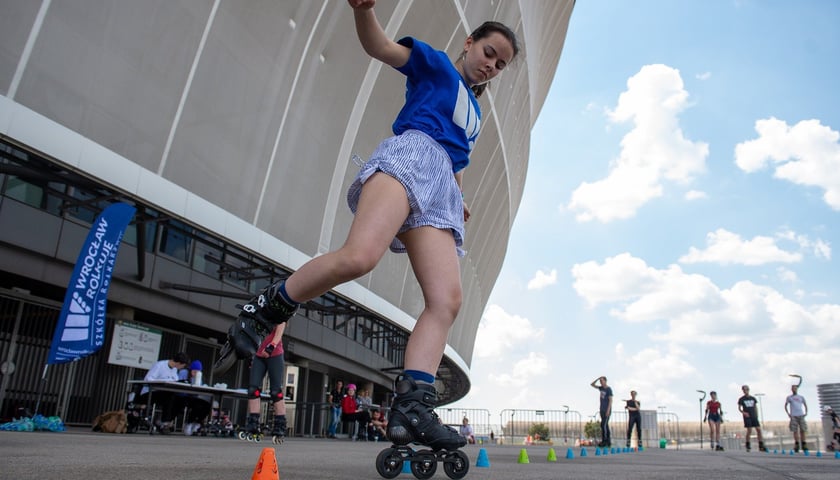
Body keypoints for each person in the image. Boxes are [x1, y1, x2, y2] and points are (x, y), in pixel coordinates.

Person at [229, 0, 518, 452]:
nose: (491, 66)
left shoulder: (477, 115)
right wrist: (363, 11)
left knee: (447, 300)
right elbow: (380, 46)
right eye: (489, 53)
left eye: (500, 65)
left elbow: (456, 156)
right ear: (469, 43)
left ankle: (413, 406)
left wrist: (457, 197)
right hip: (409, 159)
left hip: (439, 188)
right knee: (360, 257)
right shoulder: (437, 66)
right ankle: (267, 307)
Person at [243, 323, 288, 441]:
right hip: (258, 355)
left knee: (275, 392)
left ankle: (280, 426)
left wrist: (272, 345)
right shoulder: (259, 312)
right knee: (253, 390)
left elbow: (280, 329)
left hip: (275, 353)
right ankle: (253, 424)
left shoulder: (278, 310)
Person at [136, 352, 190, 433]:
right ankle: (165, 422)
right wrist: (164, 381)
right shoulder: (160, 365)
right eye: (183, 365)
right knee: (169, 395)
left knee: (182, 401)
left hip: (164, 393)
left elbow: (175, 380)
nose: (183, 368)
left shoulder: (174, 369)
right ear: (179, 363)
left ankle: (164, 420)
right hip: (150, 392)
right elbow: (148, 379)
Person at [177, 360, 212, 436]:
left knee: (207, 405)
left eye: (197, 372)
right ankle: (188, 423)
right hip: (183, 396)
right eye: (194, 371)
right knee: (197, 405)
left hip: (194, 397)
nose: (195, 373)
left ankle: (197, 423)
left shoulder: (199, 376)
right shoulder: (184, 373)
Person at [737, 385, 767, 452]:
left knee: (758, 429)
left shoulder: (753, 398)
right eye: (744, 390)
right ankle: (747, 443)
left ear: (748, 390)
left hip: (754, 416)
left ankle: (761, 444)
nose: (745, 391)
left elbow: (755, 407)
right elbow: (739, 408)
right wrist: (743, 412)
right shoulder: (741, 399)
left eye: (746, 389)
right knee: (749, 430)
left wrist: (757, 415)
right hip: (747, 416)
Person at [784, 384, 809, 452]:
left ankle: (804, 444)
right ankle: (797, 444)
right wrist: (788, 414)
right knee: (795, 430)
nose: (794, 389)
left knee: (803, 430)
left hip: (801, 415)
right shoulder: (789, 397)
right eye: (793, 388)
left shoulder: (801, 397)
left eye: (795, 388)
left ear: (797, 389)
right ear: (791, 389)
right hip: (793, 415)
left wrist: (806, 412)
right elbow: (785, 405)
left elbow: (805, 404)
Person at [591, 376, 613, 447]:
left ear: (605, 381)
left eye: (602, 381)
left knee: (603, 425)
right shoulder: (601, 388)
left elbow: (610, 400)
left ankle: (604, 441)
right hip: (602, 409)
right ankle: (608, 441)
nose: (601, 382)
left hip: (607, 410)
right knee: (605, 425)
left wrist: (608, 410)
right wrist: (597, 379)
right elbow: (592, 384)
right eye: (600, 381)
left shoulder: (608, 389)